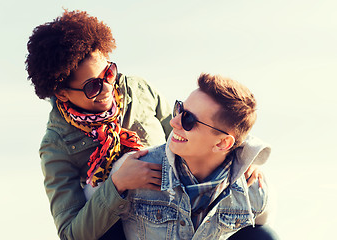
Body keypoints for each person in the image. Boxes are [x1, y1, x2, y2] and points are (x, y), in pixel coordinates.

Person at [26, 9, 269, 240]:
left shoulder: (139, 90)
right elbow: (71, 233)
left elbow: (191, 132)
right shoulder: (56, 145)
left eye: (109, 73)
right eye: (93, 86)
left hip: (176, 212)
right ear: (62, 94)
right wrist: (117, 185)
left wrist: (238, 159)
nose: (108, 88)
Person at [107, 73, 279, 239]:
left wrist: (246, 162)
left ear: (222, 144)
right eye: (179, 109)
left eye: (189, 120)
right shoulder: (134, 170)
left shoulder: (254, 189)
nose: (174, 122)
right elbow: (90, 227)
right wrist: (117, 185)